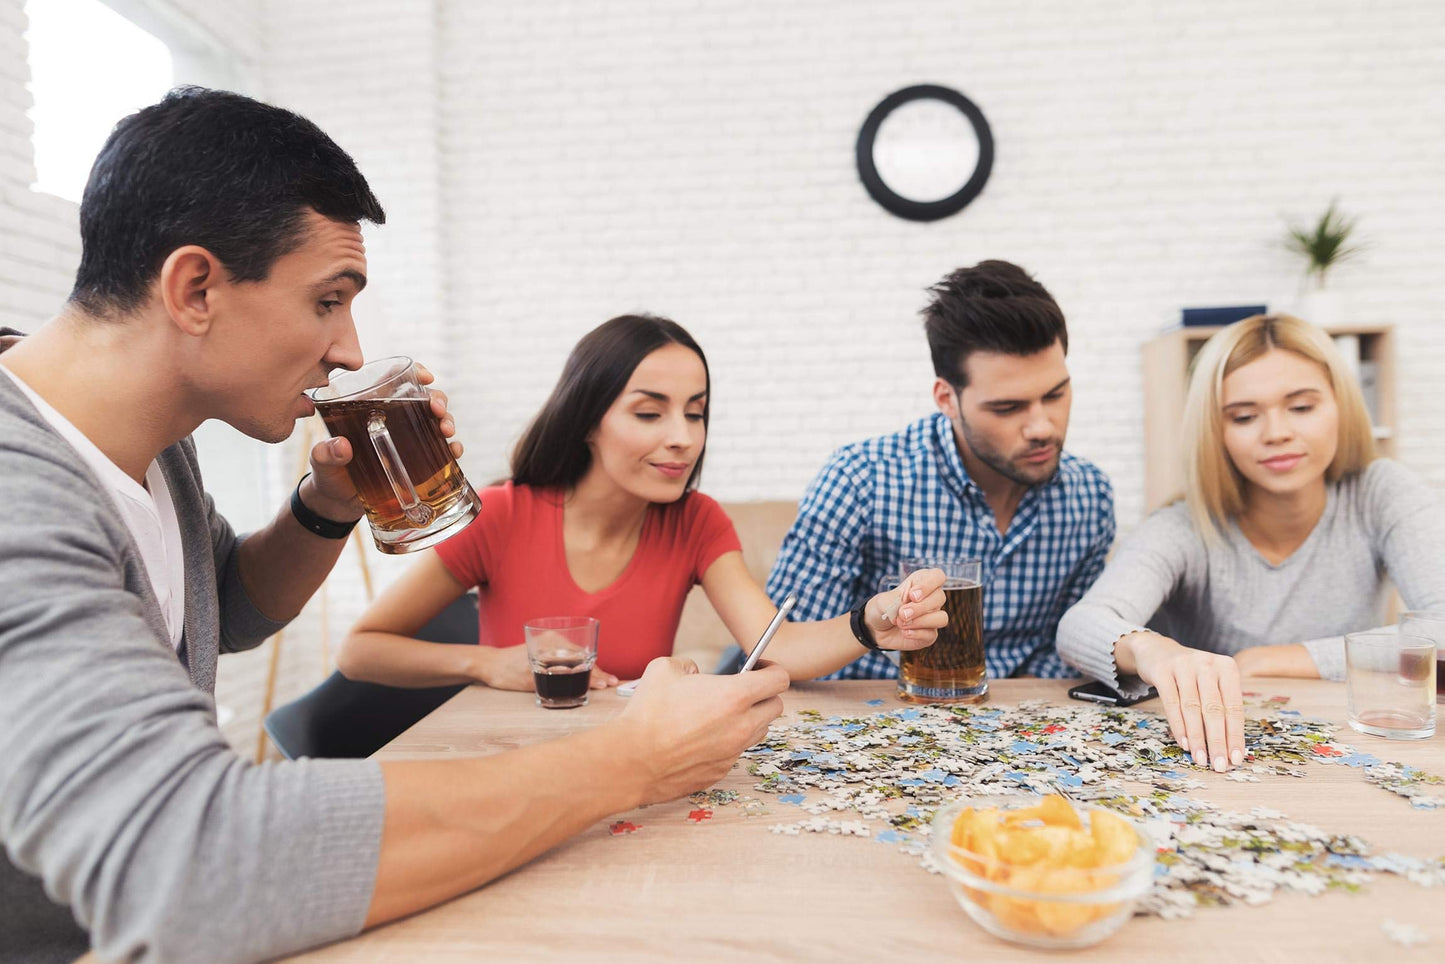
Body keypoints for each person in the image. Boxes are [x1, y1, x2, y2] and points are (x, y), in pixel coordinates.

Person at [0, 88, 789, 964]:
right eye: (328, 300)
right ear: (195, 288)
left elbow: (223, 604)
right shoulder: (18, 488)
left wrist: (326, 505)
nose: (345, 348)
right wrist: (634, 760)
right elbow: (191, 860)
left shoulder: (150, 447)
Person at [336, 314, 949, 689]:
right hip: (511, 754)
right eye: (650, 412)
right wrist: (487, 665)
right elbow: (361, 651)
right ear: (588, 421)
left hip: (630, 762)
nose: (682, 437)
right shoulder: (502, 513)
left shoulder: (696, 522)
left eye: (696, 412)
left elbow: (779, 647)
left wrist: (877, 621)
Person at [1057, 314, 1445, 773]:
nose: (1277, 432)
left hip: (1348, 751)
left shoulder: (1381, 492)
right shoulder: (1183, 524)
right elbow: (1079, 626)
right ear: (1215, 432)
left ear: (1341, 406)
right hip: (1213, 760)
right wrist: (1153, 650)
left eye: (1301, 408)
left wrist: (1268, 660)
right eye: (1244, 416)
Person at [755, 260, 1115, 681]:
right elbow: (779, 651)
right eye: (1007, 407)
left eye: (1055, 394)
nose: (1042, 427)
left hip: (1025, 727)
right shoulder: (860, 480)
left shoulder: (1090, 497)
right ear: (946, 398)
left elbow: (1067, 652)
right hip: (877, 722)